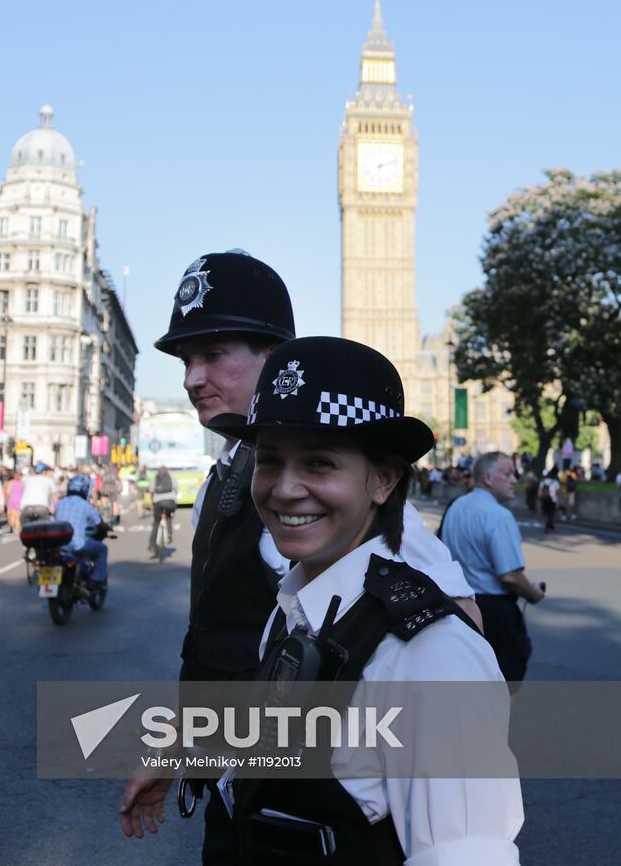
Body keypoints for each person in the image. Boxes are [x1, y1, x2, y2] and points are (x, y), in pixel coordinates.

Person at [119, 252, 482, 859]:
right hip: (247, 807)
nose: (190, 378)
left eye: (213, 354)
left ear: (277, 359)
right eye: (185, 360)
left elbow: (455, 625)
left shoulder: (343, 509)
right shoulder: (227, 481)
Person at [216, 337, 525, 863]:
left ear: (383, 481)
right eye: (269, 461)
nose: (284, 488)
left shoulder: (430, 655)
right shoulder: (292, 607)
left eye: (318, 463)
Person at [442, 451, 545, 686]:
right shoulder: (499, 516)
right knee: (505, 684)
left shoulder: (455, 507)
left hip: (458, 606)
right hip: (496, 612)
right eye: (508, 474)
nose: (514, 480)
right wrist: (534, 593)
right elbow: (510, 575)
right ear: (488, 478)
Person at [53, 474, 108, 588]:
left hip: (59, 545)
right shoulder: (86, 505)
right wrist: (107, 527)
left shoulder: (60, 503)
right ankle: (96, 580)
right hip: (77, 545)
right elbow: (99, 524)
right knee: (102, 549)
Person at [148, 465, 178, 554]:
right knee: (169, 516)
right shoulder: (171, 476)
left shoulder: (155, 477)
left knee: (156, 523)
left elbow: (151, 490)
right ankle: (169, 534)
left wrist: (152, 501)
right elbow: (176, 488)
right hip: (170, 502)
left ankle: (152, 544)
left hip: (158, 502)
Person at [538, 469, 560, 534]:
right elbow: (558, 492)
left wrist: (540, 499)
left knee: (546, 513)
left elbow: (540, 492)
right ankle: (549, 526)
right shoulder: (555, 482)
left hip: (544, 499)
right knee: (551, 513)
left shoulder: (543, 482)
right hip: (553, 500)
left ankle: (549, 526)